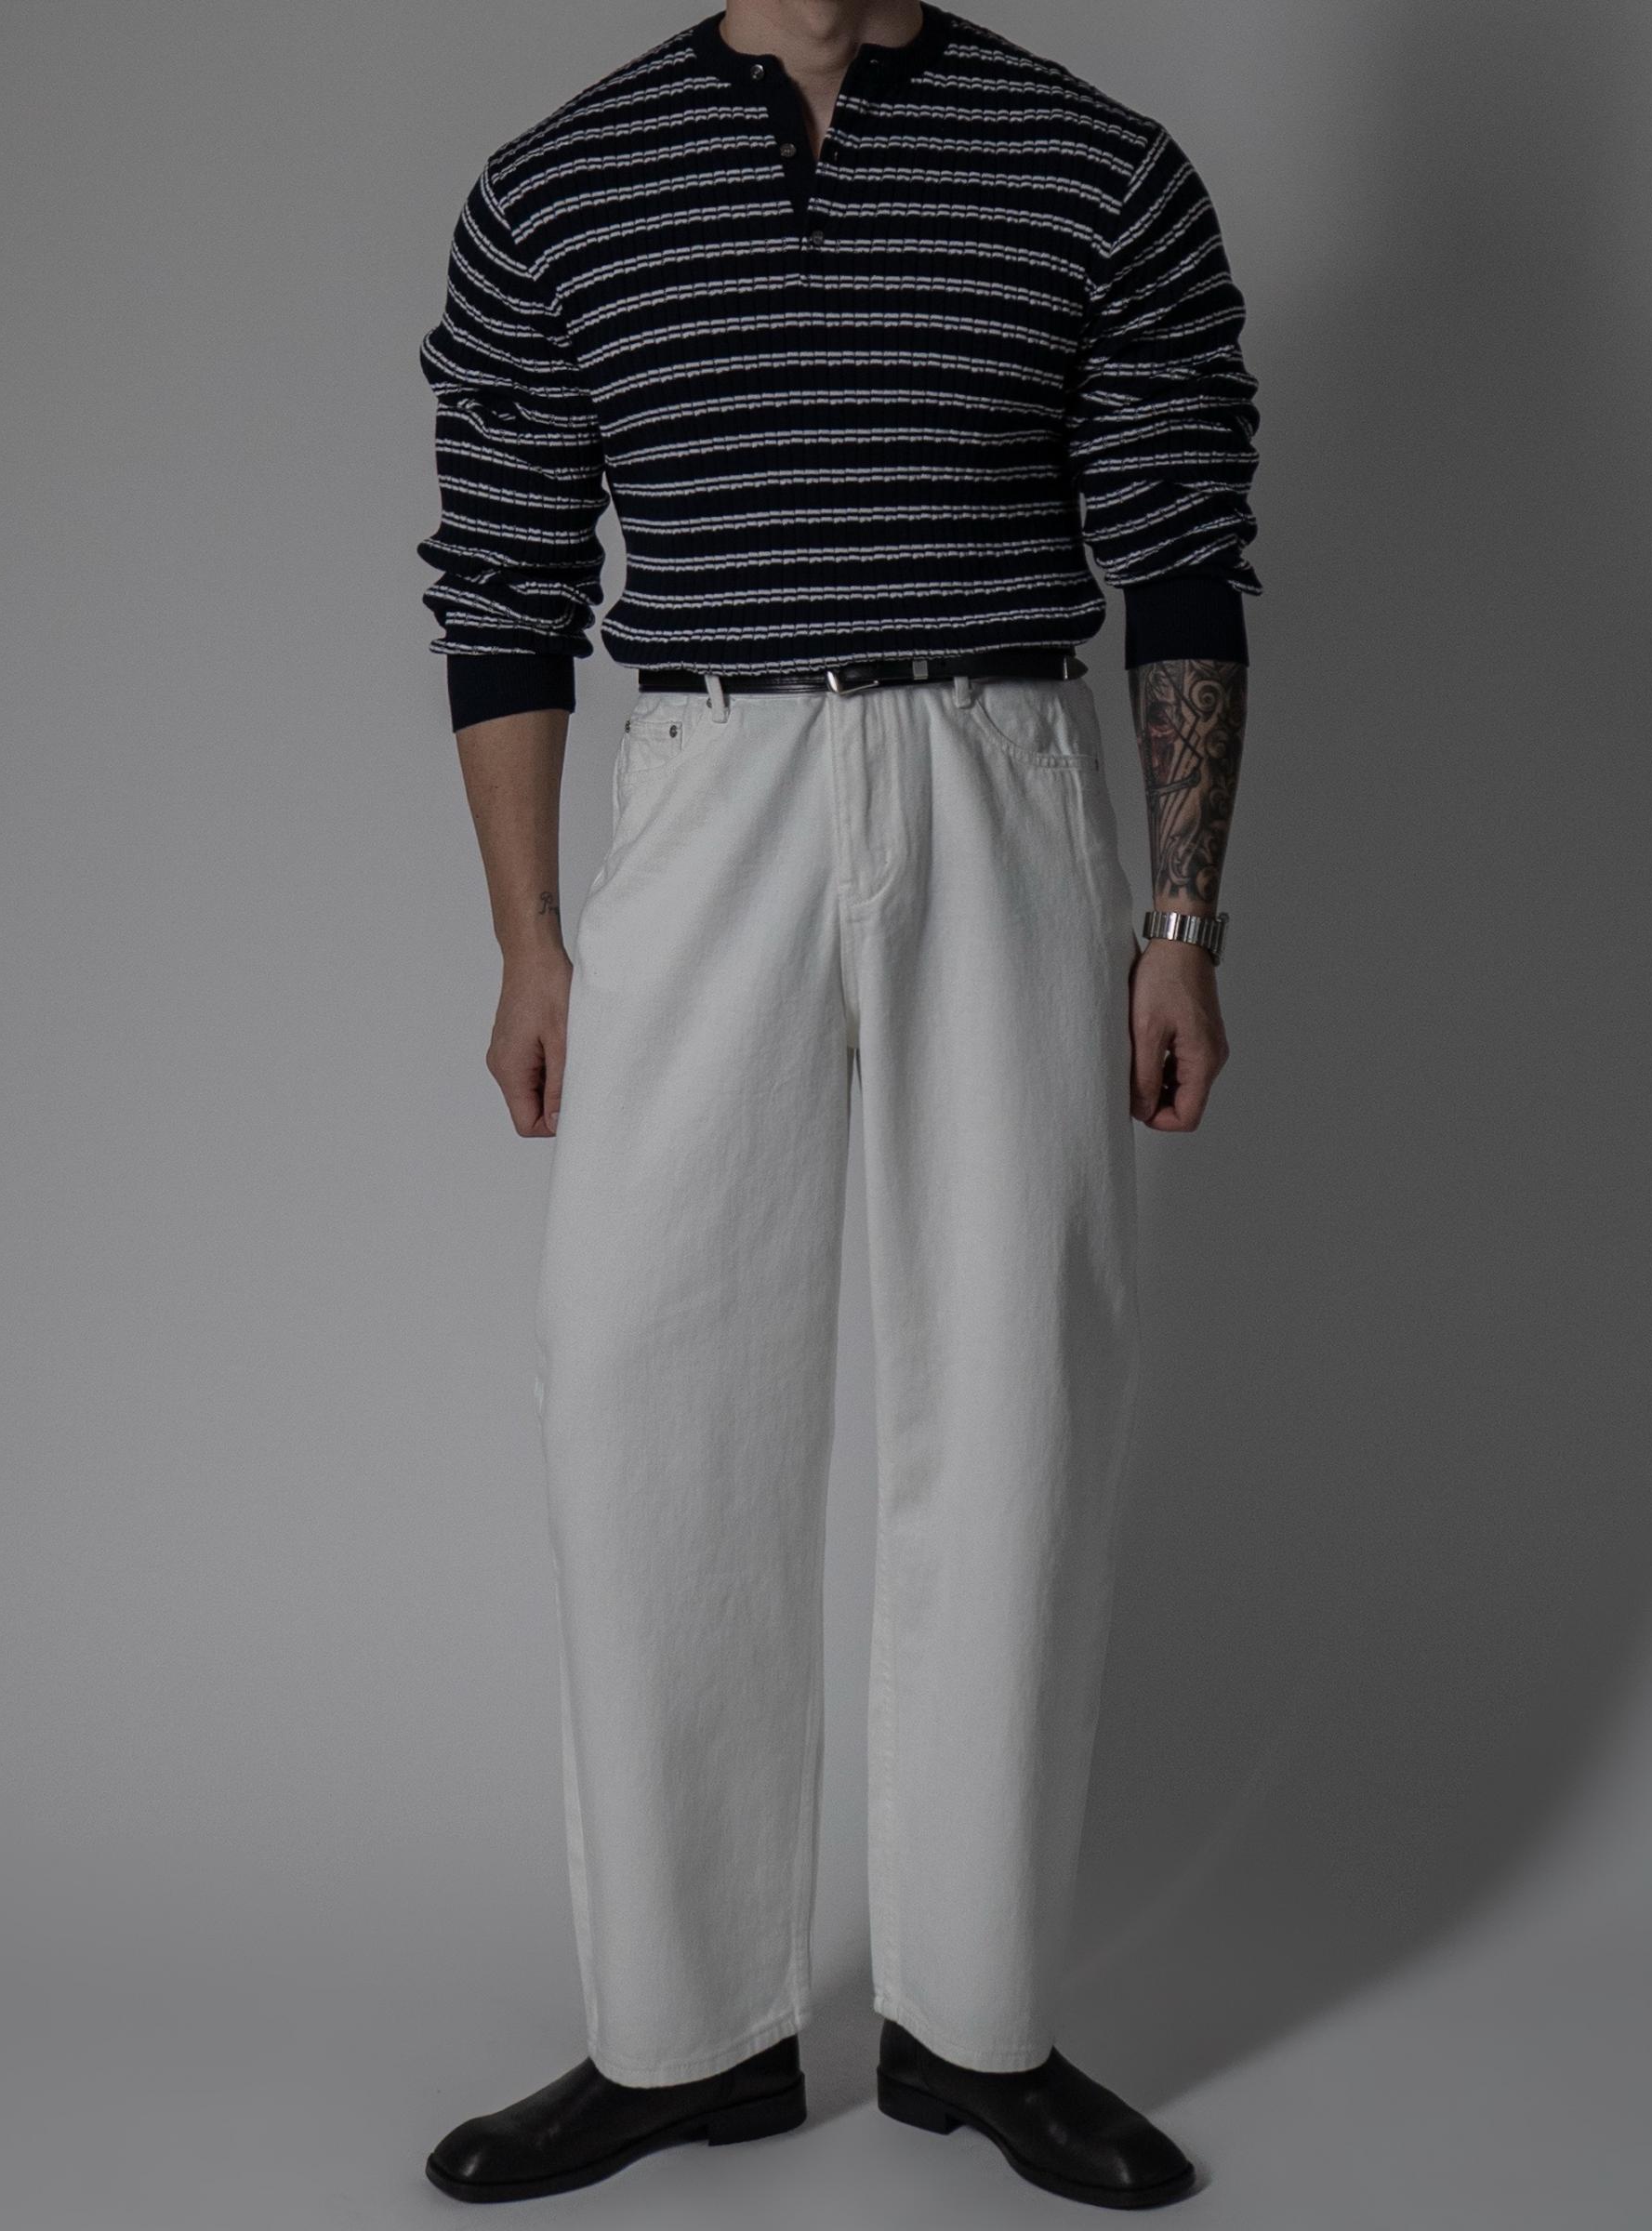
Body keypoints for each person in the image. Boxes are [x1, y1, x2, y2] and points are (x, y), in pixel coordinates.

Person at [414, 1, 1257, 2210]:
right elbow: (504, 569)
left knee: (1018, 1391)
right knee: (643, 1385)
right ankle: (680, 2036)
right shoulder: (560, 186)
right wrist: (528, 939)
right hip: (710, 780)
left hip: (1000, 770)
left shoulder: (1095, 167)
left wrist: (1181, 916)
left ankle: (979, 2028)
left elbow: (1184, 545)